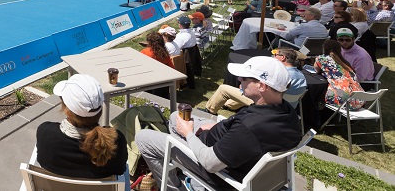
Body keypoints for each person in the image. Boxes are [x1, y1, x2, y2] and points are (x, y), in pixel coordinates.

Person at [136, 56, 301, 190]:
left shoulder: (250, 128)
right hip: (228, 150)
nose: (238, 79)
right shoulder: (286, 113)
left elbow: (210, 163)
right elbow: (240, 132)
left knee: (144, 138)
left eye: (244, 78)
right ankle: (180, 166)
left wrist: (189, 133)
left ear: (262, 86)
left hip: (217, 171)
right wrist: (218, 127)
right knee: (174, 117)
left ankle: (175, 187)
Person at [36, 74, 128, 183]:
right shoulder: (116, 142)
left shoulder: (46, 134)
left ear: (66, 109)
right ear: (100, 109)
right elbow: (121, 169)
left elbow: (41, 161)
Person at [205, 48, 307, 115]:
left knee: (224, 89)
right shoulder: (302, 77)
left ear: (282, 57)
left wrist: (243, 88)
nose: (273, 57)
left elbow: (260, 93)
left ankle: (210, 110)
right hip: (287, 109)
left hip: (267, 106)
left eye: (275, 54)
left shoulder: (278, 76)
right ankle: (229, 105)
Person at [314, 39, 364, 110]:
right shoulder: (345, 63)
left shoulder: (321, 58)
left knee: (317, 95)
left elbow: (316, 70)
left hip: (343, 99)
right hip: (360, 100)